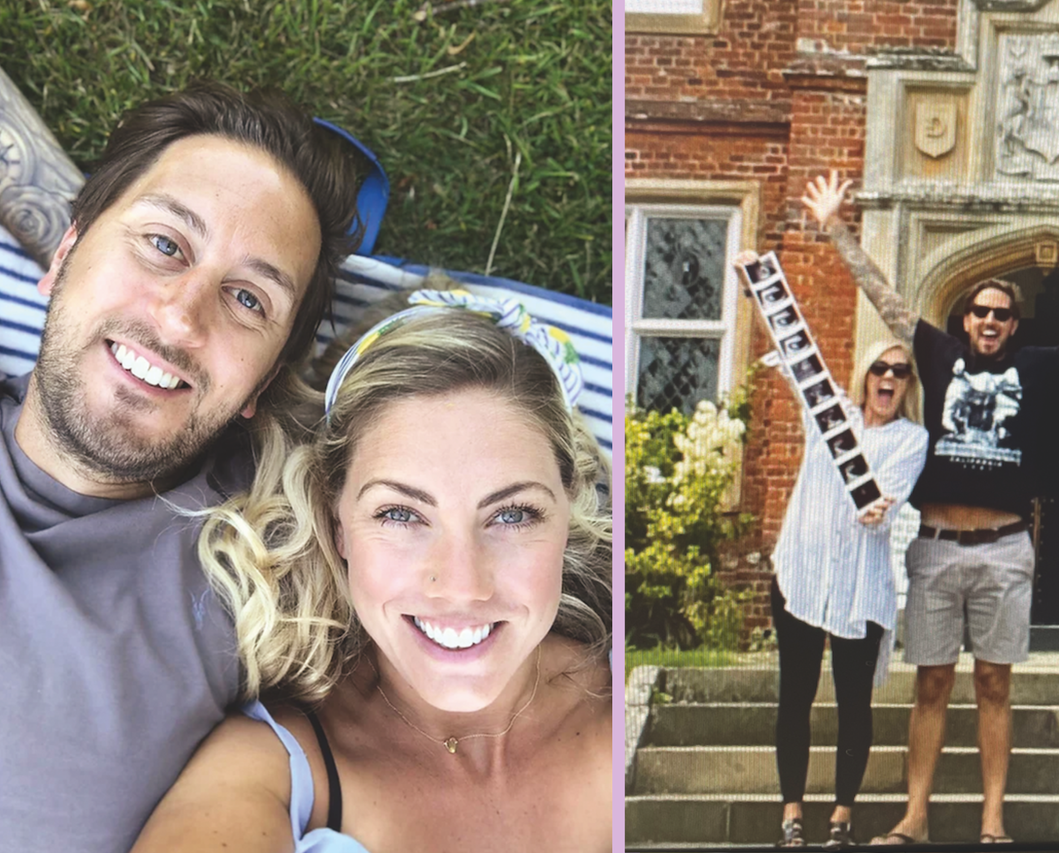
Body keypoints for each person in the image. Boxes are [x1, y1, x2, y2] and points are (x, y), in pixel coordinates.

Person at [800, 170, 1059, 845]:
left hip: (1004, 548)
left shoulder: (1037, 367)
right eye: (981, 312)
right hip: (937, 546)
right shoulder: (936, 353)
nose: (991, 322)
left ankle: (992, 819)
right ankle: (915, 815)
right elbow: (881, 294)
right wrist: (834, 227)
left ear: (1013, 324)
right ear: (965, 320)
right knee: (932, 685)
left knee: (995, 685)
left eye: (1001, 314)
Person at [0, 82, 358, 853]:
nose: (180, 317)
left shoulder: (269, 578)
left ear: (261, 384)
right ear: (63, 252)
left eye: (247, 298)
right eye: (164, 244)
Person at [129, 291, 613, 852]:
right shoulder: (270, 775)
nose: (461, 585)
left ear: (569, 505)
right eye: (401, 514)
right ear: (338, 523)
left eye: (511, 514)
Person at [761, 325, 929, 849]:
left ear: (908, 386)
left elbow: (887, 501)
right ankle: (792, 815)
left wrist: (879, 507)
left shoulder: (912, 439)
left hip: (861, 587)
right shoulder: (830, 415)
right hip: (803, 576)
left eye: (900, 372)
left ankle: (840, 817)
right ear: (865, 375)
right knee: (796, 696)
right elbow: (796, 362)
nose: (888, 378)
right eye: (880, 368)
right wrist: (755, 287)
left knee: (854, 705)